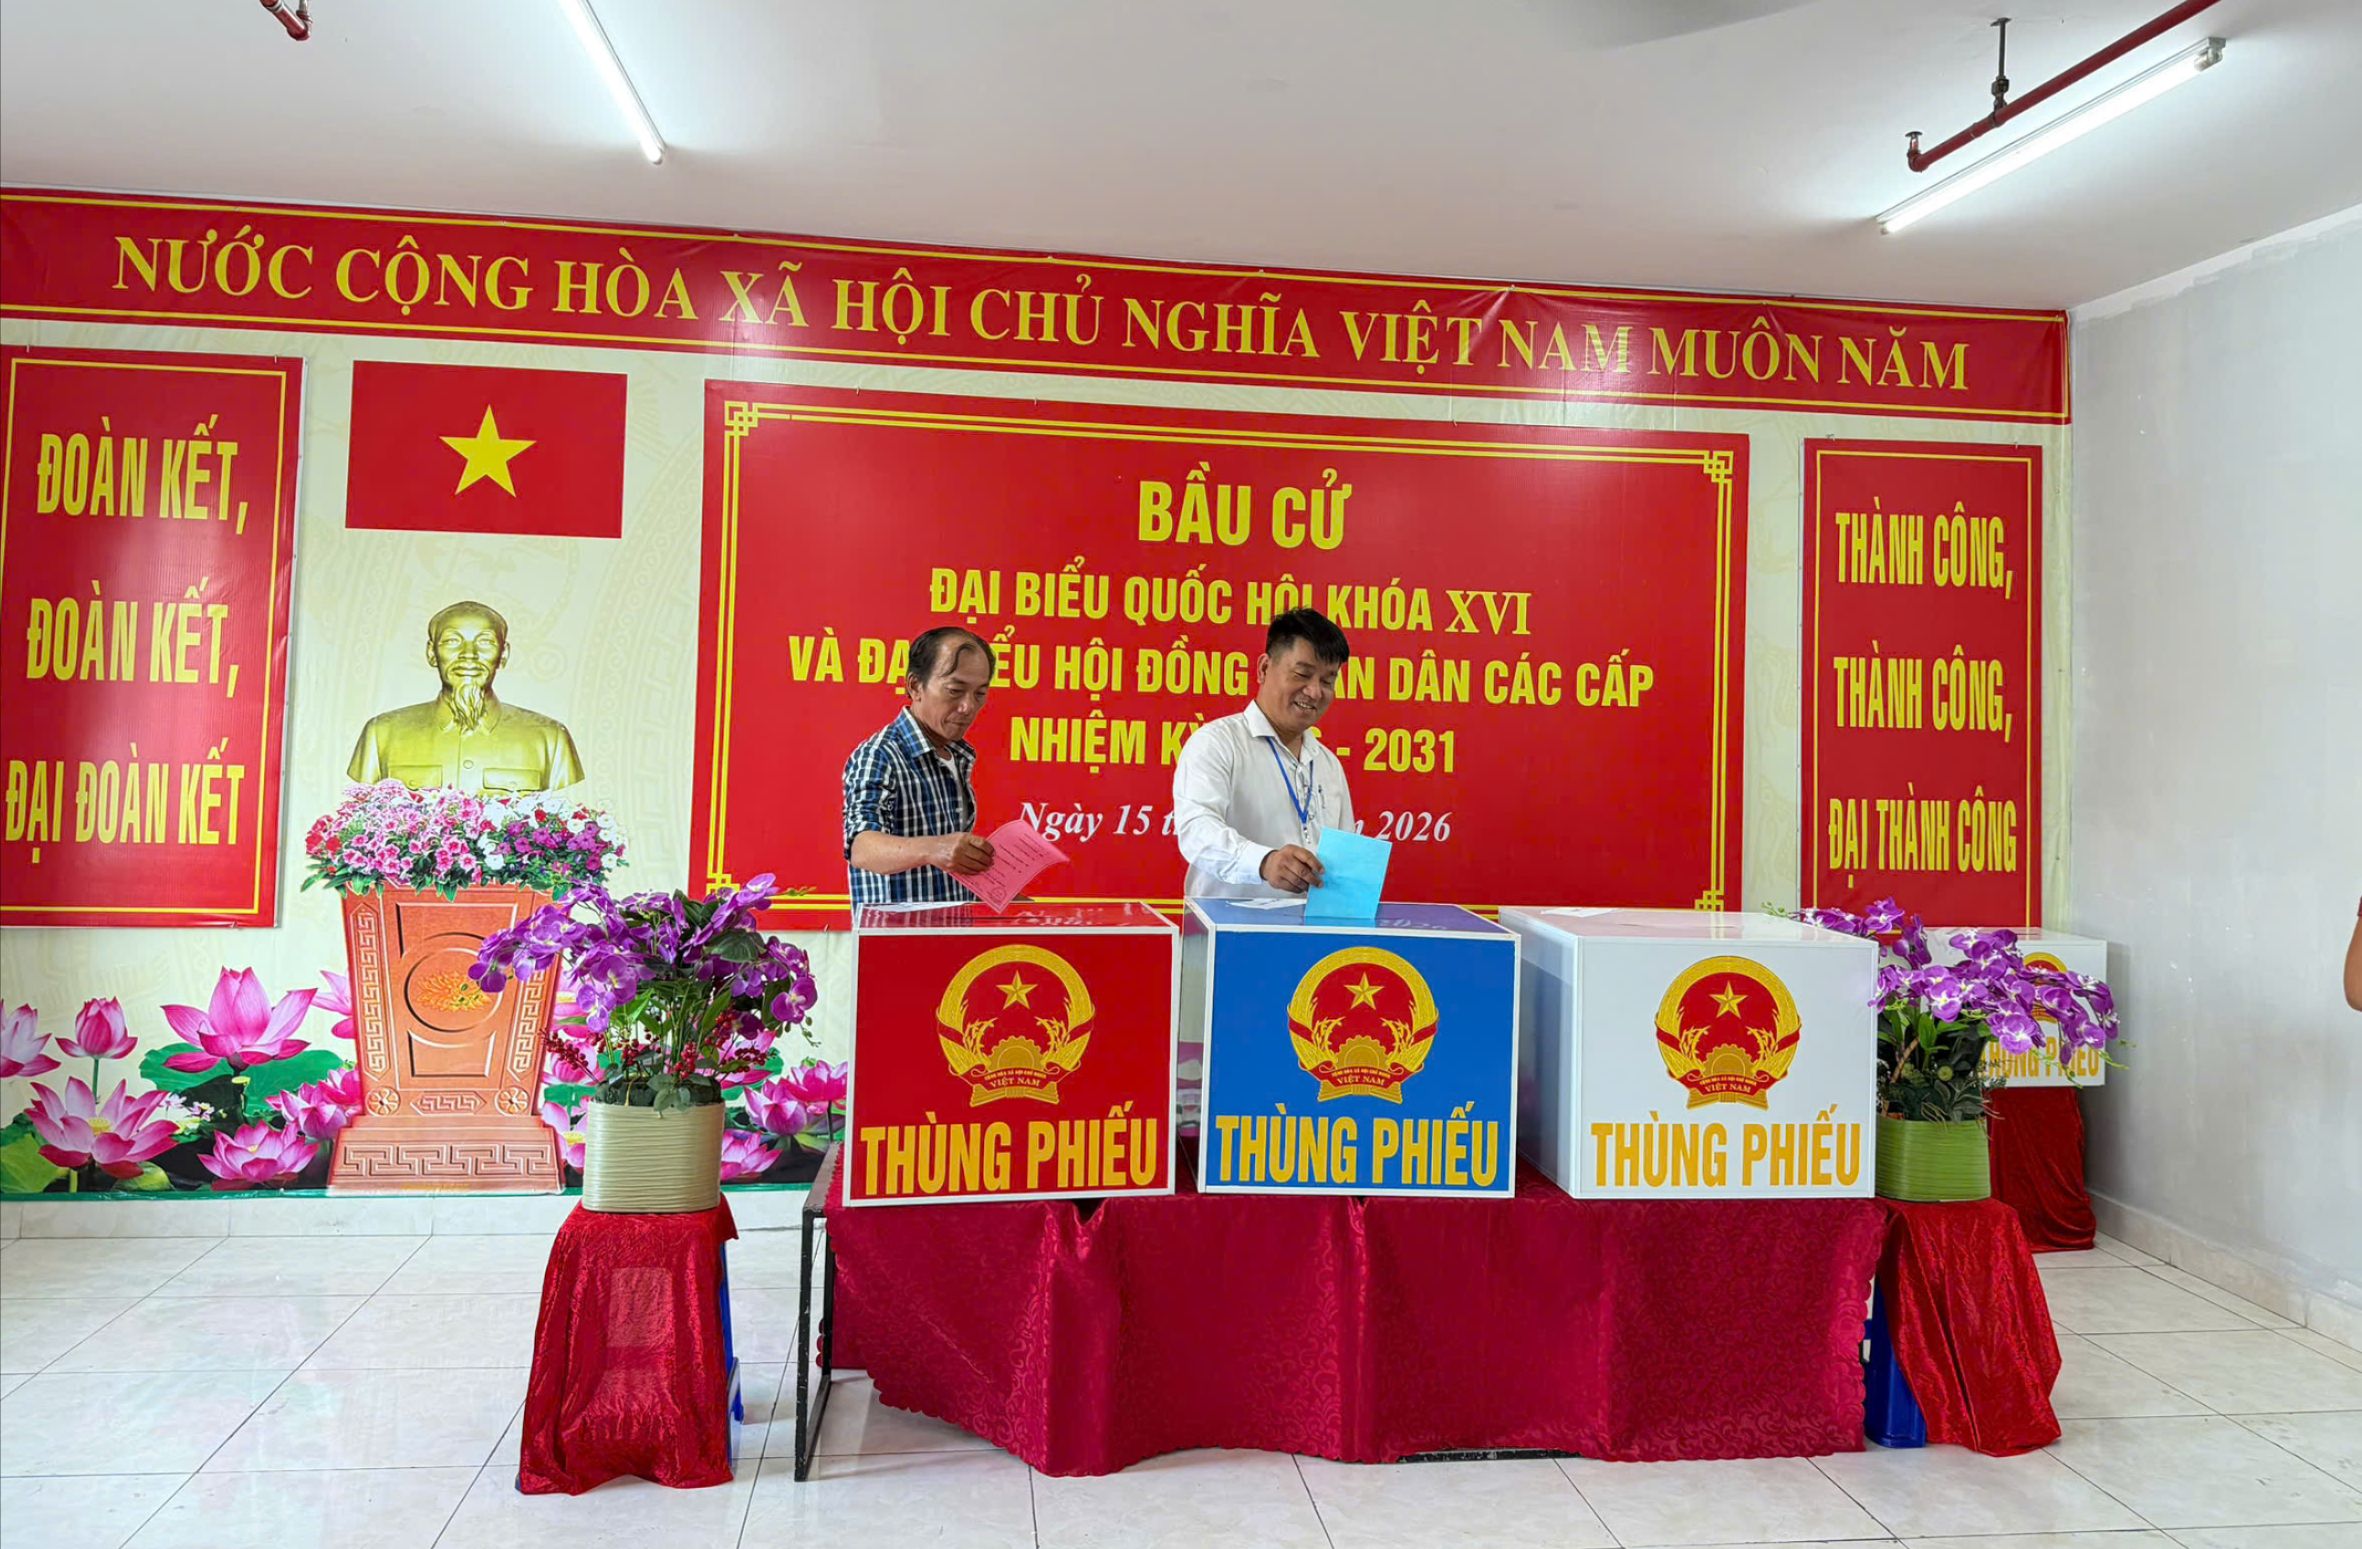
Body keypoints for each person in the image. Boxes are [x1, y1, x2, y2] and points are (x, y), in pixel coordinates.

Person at [1172, 609, 1355, 898]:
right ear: (1264, 668)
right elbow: (1197, 831)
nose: (1314, 692)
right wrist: (1264, 862)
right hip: (1228, 924)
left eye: (1327, 681)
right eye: (1302, 674)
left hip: (1313, 926)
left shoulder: (1328, 764)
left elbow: (1345, 859)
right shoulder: (1217, 743)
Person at [348, 600, 584, 796]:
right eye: (452, 641)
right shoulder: (382, 733)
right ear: (431, 653)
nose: (469, 655)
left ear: (503, 654)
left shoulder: (549, 738)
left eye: (485, 642)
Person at [843, 626, 998, 906]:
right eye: (955, 690)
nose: (968, 707)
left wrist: (1017, 905)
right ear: (915, 686)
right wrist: (935, 848)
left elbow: (948, 870)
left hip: (952, 930)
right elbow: (861, 847)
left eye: (980, 693)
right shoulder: (881, 754)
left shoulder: (956, 755)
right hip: (898, 933)